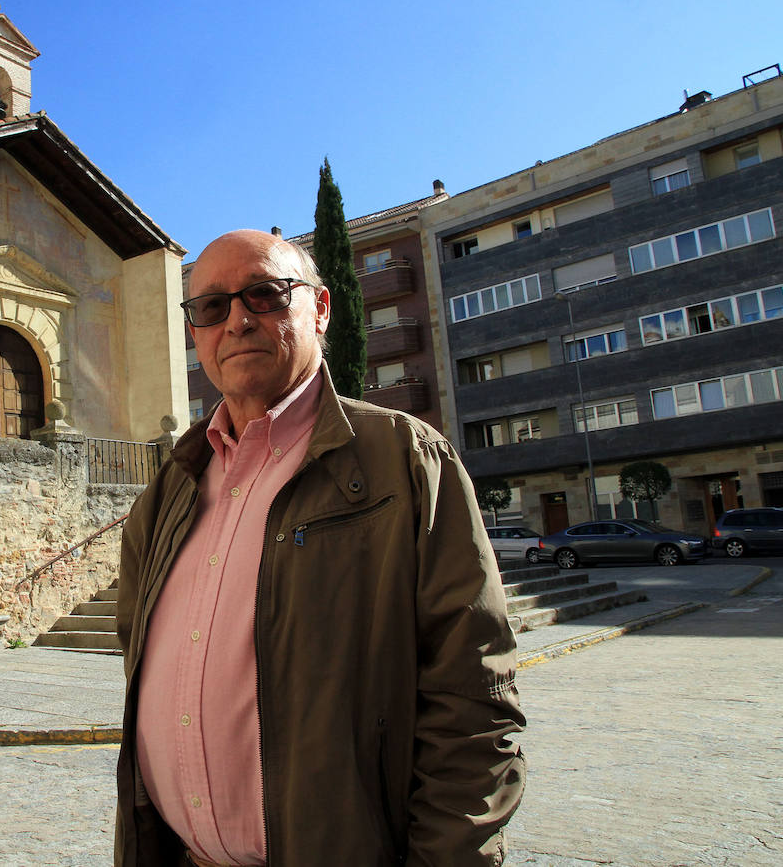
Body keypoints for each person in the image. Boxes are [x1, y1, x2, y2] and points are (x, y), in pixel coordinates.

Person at [114, 230, 526, 867]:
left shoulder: (406, 463)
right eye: (212, 308)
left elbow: (474, 705)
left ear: (322, 308)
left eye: (265, 294)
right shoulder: (170, 488)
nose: (239, 320)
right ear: (195, 332)